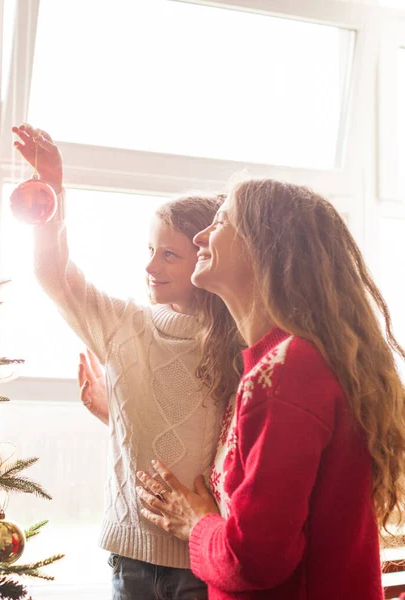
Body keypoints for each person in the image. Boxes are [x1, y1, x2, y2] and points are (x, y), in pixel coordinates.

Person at [137, 178, 405, 599]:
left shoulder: (287, 371)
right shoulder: (279, 363)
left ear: (265, 247)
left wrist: (195, 523)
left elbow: (253, 563)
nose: (201, 235)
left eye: (221, 221)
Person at [12, 123, 242, 600]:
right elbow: (53, 273)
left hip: (203, 560)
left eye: (170, 255)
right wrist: (52, 186)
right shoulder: (125, 324)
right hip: (130, 557)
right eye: (151, 250)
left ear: (206, 258)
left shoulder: (240, 340)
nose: (151, 266)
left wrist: (116, 413)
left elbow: (217, 435)